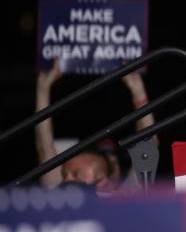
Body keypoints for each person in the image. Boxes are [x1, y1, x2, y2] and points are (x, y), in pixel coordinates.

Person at [35, 61, 157, 190]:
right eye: (64, 174)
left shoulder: (124, 199)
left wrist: (137, 88)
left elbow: (147, 148)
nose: (66, 180)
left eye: (76, 174)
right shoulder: (60, 198)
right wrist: (43, 88)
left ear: (102, 181)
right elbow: (44, 149)